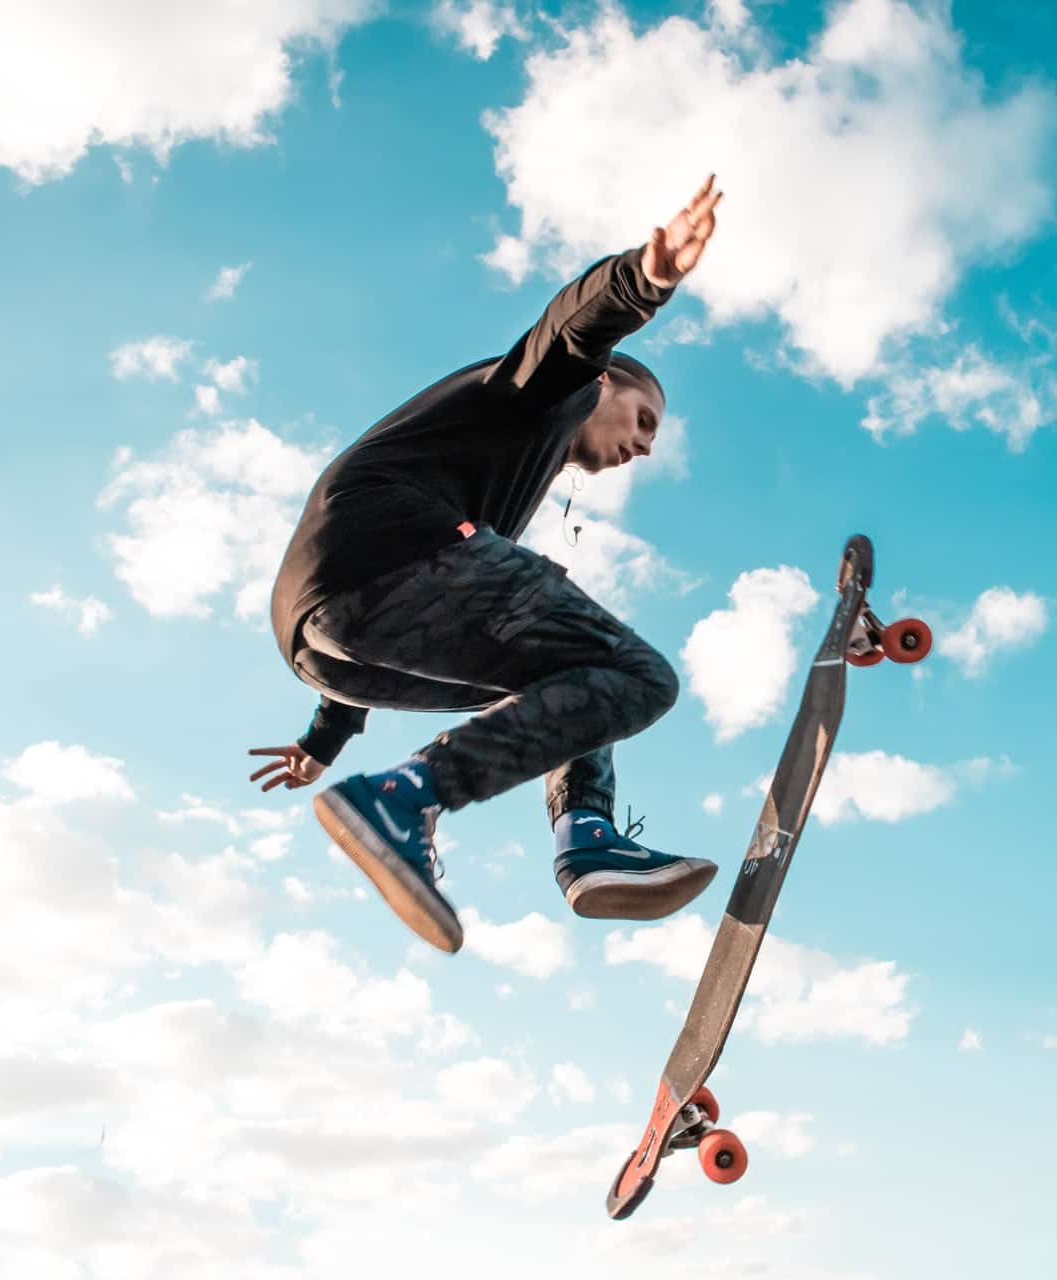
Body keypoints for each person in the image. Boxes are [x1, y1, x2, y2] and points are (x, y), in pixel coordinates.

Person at [247, 176, 725, 955]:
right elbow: (569, 332)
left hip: (328, 630)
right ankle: (409, 799)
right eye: (644, 421)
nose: (644, 445)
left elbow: (383, 615)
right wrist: (647, 276)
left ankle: (585, 837)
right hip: (392, 549)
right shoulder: (547, 392)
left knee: (576, 680)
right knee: (639, 677)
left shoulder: (491, 471)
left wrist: (323, 741)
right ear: (604, 385)